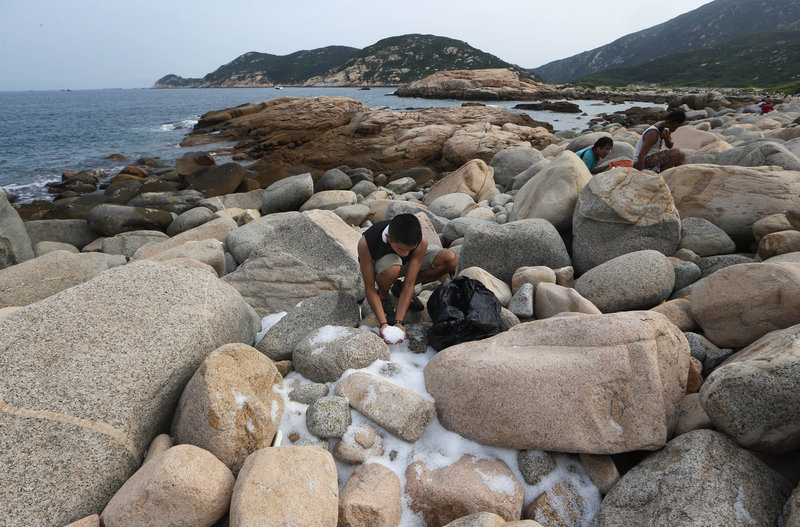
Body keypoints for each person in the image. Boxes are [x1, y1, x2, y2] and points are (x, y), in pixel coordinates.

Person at [357, 213, 458, 343]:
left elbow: (410, 284)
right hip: (384, 267)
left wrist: (399, 322)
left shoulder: (419, 242)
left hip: (405, 265)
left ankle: (399, 288)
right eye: (402, 249)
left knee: (450, 259)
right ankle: (384, 295)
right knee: (392, 268)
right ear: (388, 238)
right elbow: (370, 288)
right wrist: (383, 324)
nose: (406, 253)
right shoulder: (367, 242)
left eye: (410, 249)